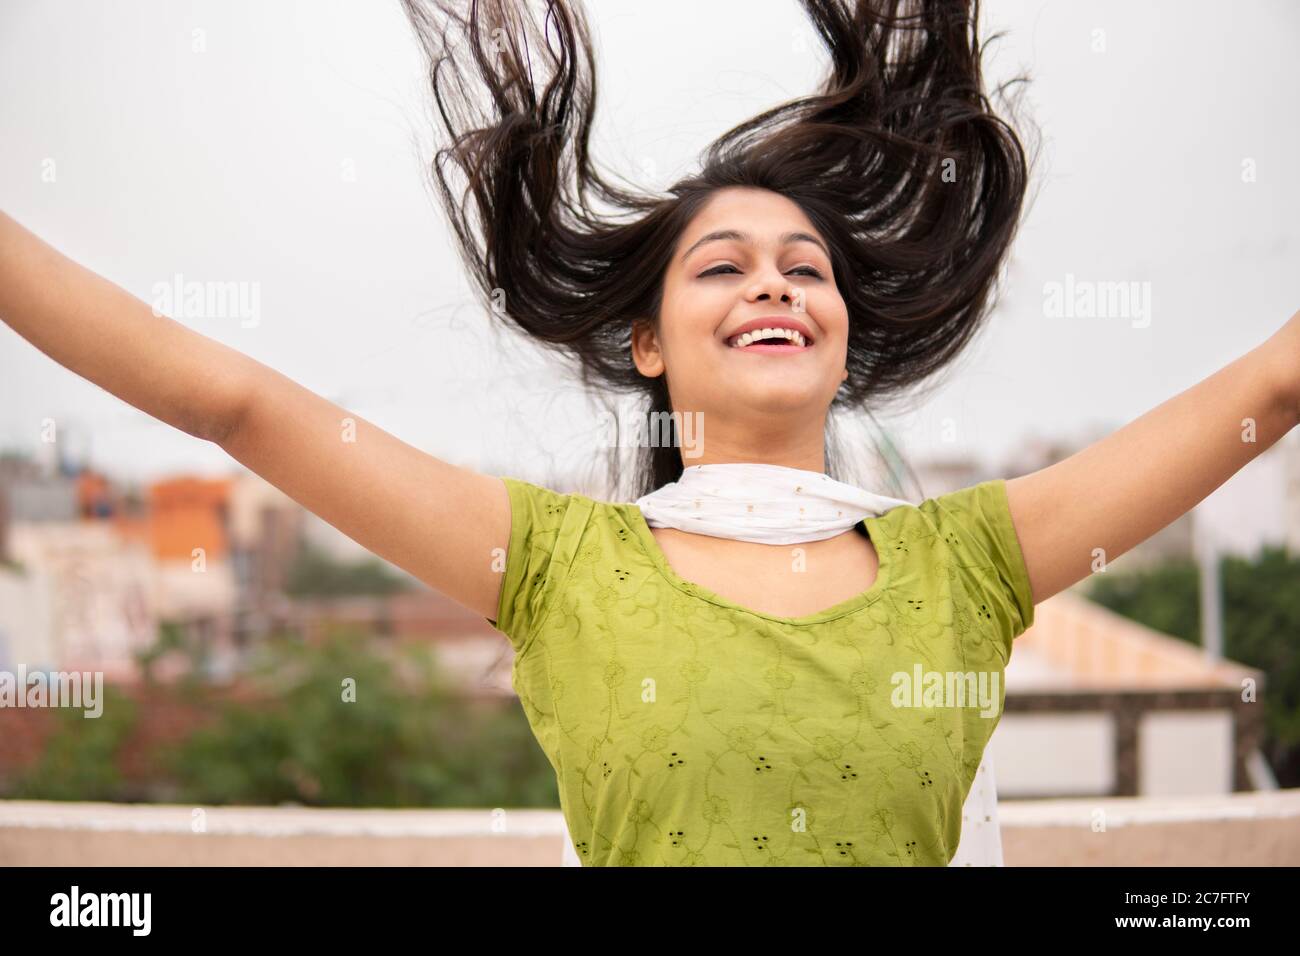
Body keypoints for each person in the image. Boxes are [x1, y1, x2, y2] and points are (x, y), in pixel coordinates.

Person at [2, 0, 1297, 866]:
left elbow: (1275, 390)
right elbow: (230, 405)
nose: (777, 285)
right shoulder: (559, 567)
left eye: (807, 269)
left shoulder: (969, 562)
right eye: (723, 268)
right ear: (650, 342)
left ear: (845, 334)